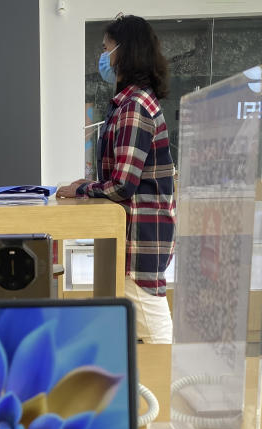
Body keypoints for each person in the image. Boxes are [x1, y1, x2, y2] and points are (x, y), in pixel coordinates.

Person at [57, 15, 175, 343]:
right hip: (136, 230)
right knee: (131, 328)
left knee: (155, 332)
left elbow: (123, 184)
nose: (103, 55)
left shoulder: (134, 106)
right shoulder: (129, 103)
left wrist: (83, 188)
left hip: (140, 234)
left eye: (107, 48)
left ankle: (162, 393)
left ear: (126, 52)